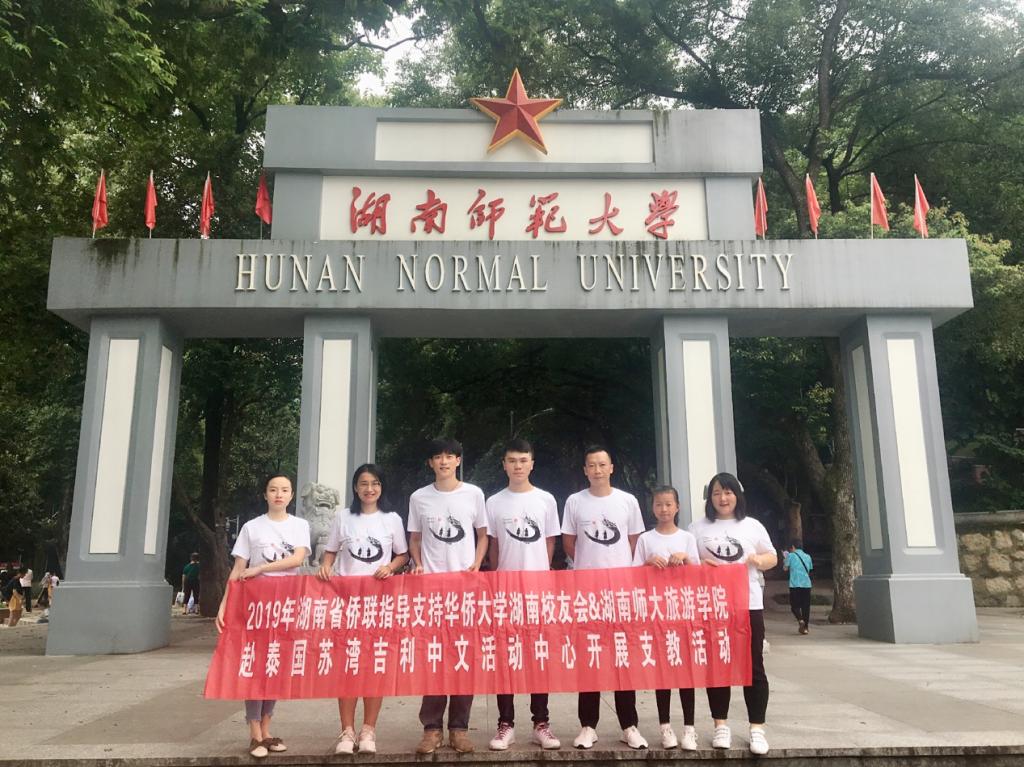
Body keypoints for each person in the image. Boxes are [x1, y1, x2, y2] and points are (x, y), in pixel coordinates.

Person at [316, 464, 409, 755]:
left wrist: (389, 567)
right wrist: (326, 566)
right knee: (348, 665)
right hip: (347, 602)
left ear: (382, 487)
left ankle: (369, 729)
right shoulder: (343, 517)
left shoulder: (391, 519)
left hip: (379, 603)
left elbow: (403, 554)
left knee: (374, 664)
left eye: (375, 483)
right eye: (364, 483)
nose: (370, 489)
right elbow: (330, 551)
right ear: (356, 488)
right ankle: (347, 730)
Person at [216, 475, 310, 760]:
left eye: (284, 490)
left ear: (291, 495)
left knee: (275, 665)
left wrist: (260, 569)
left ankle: (267, 729)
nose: (278, 494)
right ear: (265, 494)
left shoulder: (300, 525)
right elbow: (238, 569)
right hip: (255, 605)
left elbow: (297, 559)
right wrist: (224, 604)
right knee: (255, 665)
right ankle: (254, 731)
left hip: (286, 604)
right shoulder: (251, 527)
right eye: (273, 489)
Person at [561, 445, 647, 750]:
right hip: (588, 594)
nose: (597, 470)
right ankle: (588, 725)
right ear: (585, 470)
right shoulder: (575, 501)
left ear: (611, 468)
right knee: (591, 658)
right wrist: (590, 571)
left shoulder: (627, 501)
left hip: (621, 593)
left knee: (623, 657)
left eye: (602, 464)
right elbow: (569, 543)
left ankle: (629, 725)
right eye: (591, 465)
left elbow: (635, 543)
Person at [407, 437, 489, 755]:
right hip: (431, 591)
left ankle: (459, 728)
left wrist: (477, 563)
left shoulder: (474, 494)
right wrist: (418, 563)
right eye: (438, 457)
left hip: (465, 590)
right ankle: (431, 728)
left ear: (458, 460)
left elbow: (483, 535)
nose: (443, 461)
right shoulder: (419, 498)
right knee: (434, 657)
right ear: (430, 462)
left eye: (449, 456)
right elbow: (415, 538)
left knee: (463, 657)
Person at [689, 472, 776, 755]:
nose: (722, 498)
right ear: (710, 498)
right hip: (713, 606)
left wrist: (758, 559)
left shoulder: (752, 525)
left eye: (727, 492)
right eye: (716, 493)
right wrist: (701, 565)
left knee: (754, 665)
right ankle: (720, 725)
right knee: (718, 665)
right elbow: (689, 564)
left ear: (737, 495)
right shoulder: (697, 528)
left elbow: (772, 556)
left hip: (748, 605)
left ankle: (757, 728)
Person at [485, 439, 562, 751]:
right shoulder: (493, 502)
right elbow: (493, 545)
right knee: (506, 657)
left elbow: (550, 542)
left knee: (537, 656)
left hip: (537, 591)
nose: (518, 466)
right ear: (504, 465)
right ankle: (505, 724)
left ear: (532, 463)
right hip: (506, 591)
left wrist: (540, 576)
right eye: (512, 460)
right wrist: (497, 580)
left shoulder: (546, 500)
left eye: (523, 460)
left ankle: (541, 723)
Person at [632, 485, 701, 750]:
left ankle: (689, 728)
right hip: (656, 613)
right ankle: (665, 727)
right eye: (659, 504)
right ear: (652, 508)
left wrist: (685, 558)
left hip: (682, 612)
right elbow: (634, 575)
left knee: (685, 673)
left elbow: (698, 575)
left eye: (669, 504)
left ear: (677, 507)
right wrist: (648, 563)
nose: (664, 509)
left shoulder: (687, 538)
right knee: (663, 672)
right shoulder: (645, 539)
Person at [783, 540, 813, 634]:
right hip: (807, 584)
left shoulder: (791, 556)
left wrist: (785, 558)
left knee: (794, 606)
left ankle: (800, 620)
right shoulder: (808, 556)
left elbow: (785, 568)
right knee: (805, 606)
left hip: (795, 584)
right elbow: (810, 569)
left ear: (793, 547)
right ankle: (806, 628)